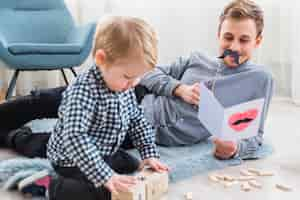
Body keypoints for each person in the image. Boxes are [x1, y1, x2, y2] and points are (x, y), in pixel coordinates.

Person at [0, 0, 272, 165]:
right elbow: (149, 73)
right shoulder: (197, 59)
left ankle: (13, 136)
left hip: (146, 129)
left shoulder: (259, 80)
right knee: (50, 99)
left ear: (258, 41)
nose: (233, 46)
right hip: (137, 94)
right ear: (218, 34)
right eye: (228, 37)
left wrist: (235, 148)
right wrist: (178, 88)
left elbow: (255, 137)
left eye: (244, 40)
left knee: (71, 148)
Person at [7, 16, 169, 200]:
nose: (133, 84)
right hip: (71, 159)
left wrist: (149, 154)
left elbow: (137, 121)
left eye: (138, 78)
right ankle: (45, 185)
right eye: (128, 76)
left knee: (131, 164)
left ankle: (107, 169)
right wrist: (105, 176)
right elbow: (75, 138)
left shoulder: (125, 86)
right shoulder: (82, 91)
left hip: (103, 149)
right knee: (103, 192)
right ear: (101, 59)